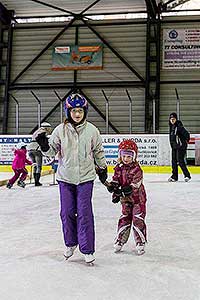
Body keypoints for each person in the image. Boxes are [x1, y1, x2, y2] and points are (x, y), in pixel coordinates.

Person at [35, 93, 107, 264]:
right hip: (65, 178)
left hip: (85, 179)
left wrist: (103, 168)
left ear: (85, 112)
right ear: (68, 112)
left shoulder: (92, 130)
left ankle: (87, 249)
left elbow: (98, 151)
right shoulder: (60, 130)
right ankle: (70, 243)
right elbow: (51, 152)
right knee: (66, 212)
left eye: (80, 111)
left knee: (84, 213)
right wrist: (44, 145)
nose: (77, 114)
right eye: (74, 111)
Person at [107, 139, 147, 255]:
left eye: (129, 156)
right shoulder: (118, 168)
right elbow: (116, 180)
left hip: (138, 199)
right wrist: (114, 189)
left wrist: (122, 192)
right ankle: (120, 240)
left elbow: (134, 186)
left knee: (137, 219)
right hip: (125, 200)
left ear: (134, 156)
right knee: (125, 217)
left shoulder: (137, 169)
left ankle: (140, 242)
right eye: (124, 156)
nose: (126, 159)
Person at [168, 112, 191, 182]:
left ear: (176, 119)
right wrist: (172, 145)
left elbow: (187, 135)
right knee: (174, 162)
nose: (172, 120)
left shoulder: (179, 126)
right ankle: (174, 176)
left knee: (180, 161)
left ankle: (187, 175)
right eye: (171, 119)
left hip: (180, 147)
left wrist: (183, 144)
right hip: (174, 147)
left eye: (173, 119)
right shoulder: (171, 127)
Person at [28, 122, 52, 186]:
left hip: (30, 150)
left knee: (35, 166)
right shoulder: (43, 132)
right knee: (39, 166)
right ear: (46, 128)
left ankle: (35, 180)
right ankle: (37, 182)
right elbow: (42, 142)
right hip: (37, 150)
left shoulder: (36, 132)